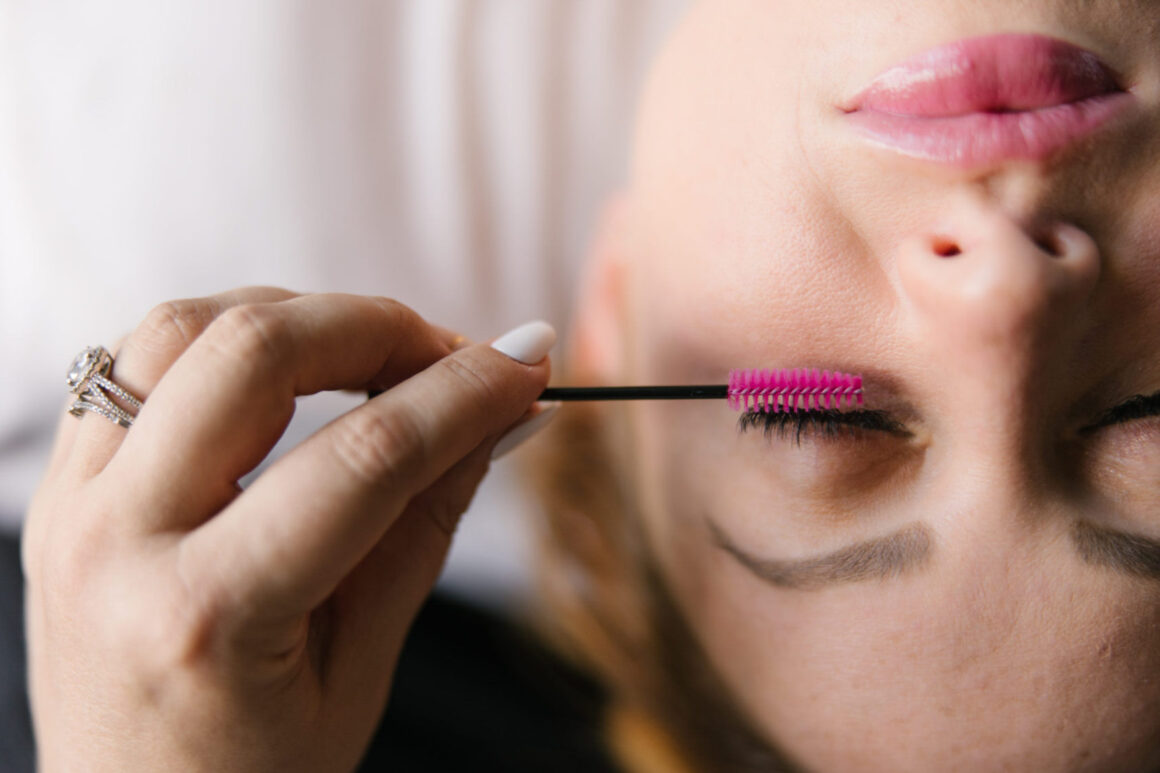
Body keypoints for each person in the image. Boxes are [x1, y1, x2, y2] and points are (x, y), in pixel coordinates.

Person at [23, 2, 1160, 772]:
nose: (1005, 296)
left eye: (825, 418)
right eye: (1144, 418)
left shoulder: (102, 191)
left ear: (610, 314)